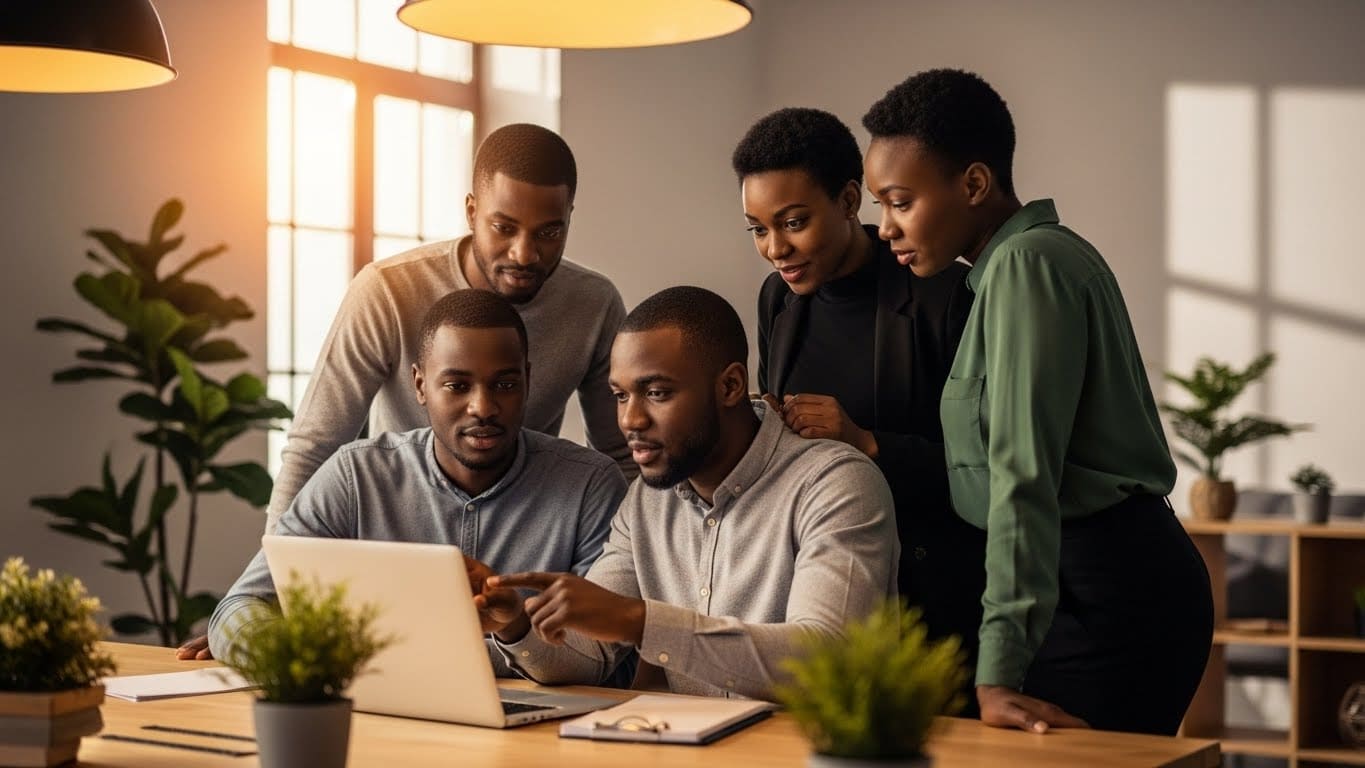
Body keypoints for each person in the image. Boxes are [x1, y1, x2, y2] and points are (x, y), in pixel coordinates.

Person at [861, 68, 1212, 735]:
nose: (884, 227)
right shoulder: (1018, 268)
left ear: (972, 184)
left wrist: (995, 673)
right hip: (1093, 581)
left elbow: (1023, 480)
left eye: (900, 201)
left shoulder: (1028, 266)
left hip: (1102, 593)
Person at [471, 286, 898, 699]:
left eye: (657, 393)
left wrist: (641, 622)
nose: (630, 420)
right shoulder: (646, 501)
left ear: (730, 386)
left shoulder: (836, 483)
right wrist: (514, 626)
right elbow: (587, 656)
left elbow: (825, 659)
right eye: (621, 396)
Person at [206, 289, 628, 677]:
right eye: (457, 385)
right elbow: (240, 608)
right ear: (420, 385)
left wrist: (379, 656)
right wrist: (285, 656)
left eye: (504, 384)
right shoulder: (356, 477)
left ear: (527, 380)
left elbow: (597, 658)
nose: (483, 407)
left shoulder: (590, 485)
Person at [268, 122, 633, 534]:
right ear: (472, 211)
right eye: (504, 227)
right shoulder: (388, 291)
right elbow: (315, 448)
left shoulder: (595, 305)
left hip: (522, 539)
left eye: (549, 232)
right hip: (397, 535)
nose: (525, 254)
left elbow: (622, 455)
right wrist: (277, 575)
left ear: (569, 218)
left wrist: (639, 567)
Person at [732, 107, 984, 693]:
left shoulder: (944, 295)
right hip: (824, 587)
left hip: (935, 597)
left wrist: (866, 442)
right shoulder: (779, 299)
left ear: (849, 201)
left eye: (793, 222)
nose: (775, 248)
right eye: (757, 228)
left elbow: (988, 471)